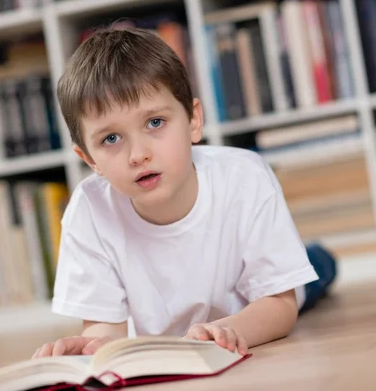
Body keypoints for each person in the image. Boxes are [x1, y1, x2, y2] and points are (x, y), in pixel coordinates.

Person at [31, 27, 336, 359]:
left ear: (193, 121)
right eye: (111, 139)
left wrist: (230, 331)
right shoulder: (89, 210)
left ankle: (319, 255)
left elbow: (279, 303)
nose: (138, 154)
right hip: (183, 338)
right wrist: (98, 346)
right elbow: (104, 325)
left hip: (255, 303)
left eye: (155, 123)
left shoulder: (244, 176)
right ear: (89, 160)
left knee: (316, 269)